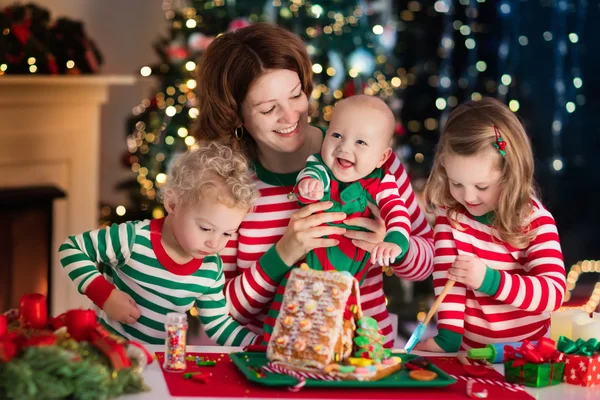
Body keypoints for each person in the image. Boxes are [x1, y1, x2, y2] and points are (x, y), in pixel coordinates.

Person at [194, 22, 434, 347]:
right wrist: (284, 251)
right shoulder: (225, 184)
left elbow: (428, 261)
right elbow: (220, 310)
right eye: (268, 109)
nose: (291, 115)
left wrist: (392, 244)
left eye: (296, 96)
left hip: (363, 360)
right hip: (269, 364)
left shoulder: (367, 156)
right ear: (235, 115)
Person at [58, 142, 260, 346]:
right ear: (173, 204)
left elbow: (219, 324)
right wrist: (105, 295)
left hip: (155, 365)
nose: (214, 243)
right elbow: (72, 249)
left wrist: (260, 346)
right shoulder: (134, 238)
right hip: (105, 352)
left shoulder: (210, 269)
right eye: (205, 228)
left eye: (227, 233)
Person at [414, 97, 566, 352]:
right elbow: (447, 281)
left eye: (482, 186)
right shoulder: (451, 217)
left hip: (527, 354)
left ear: (510, 175)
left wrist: (489, 280)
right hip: (471, 353)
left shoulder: (535, 221)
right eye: (457, 183)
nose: (468, 197)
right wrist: (448, 339)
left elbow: (552, 294)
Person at [294, 94, 411, 279]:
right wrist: (309, 186)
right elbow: (311, 176)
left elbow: (396, 210)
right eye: (337, 135)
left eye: (361, 142)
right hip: (308, 272)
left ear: (381, 158)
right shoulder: (320, 166)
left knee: (347, 300)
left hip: (351, 276)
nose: (345, 147)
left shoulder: (381, 181)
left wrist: (395, 240)